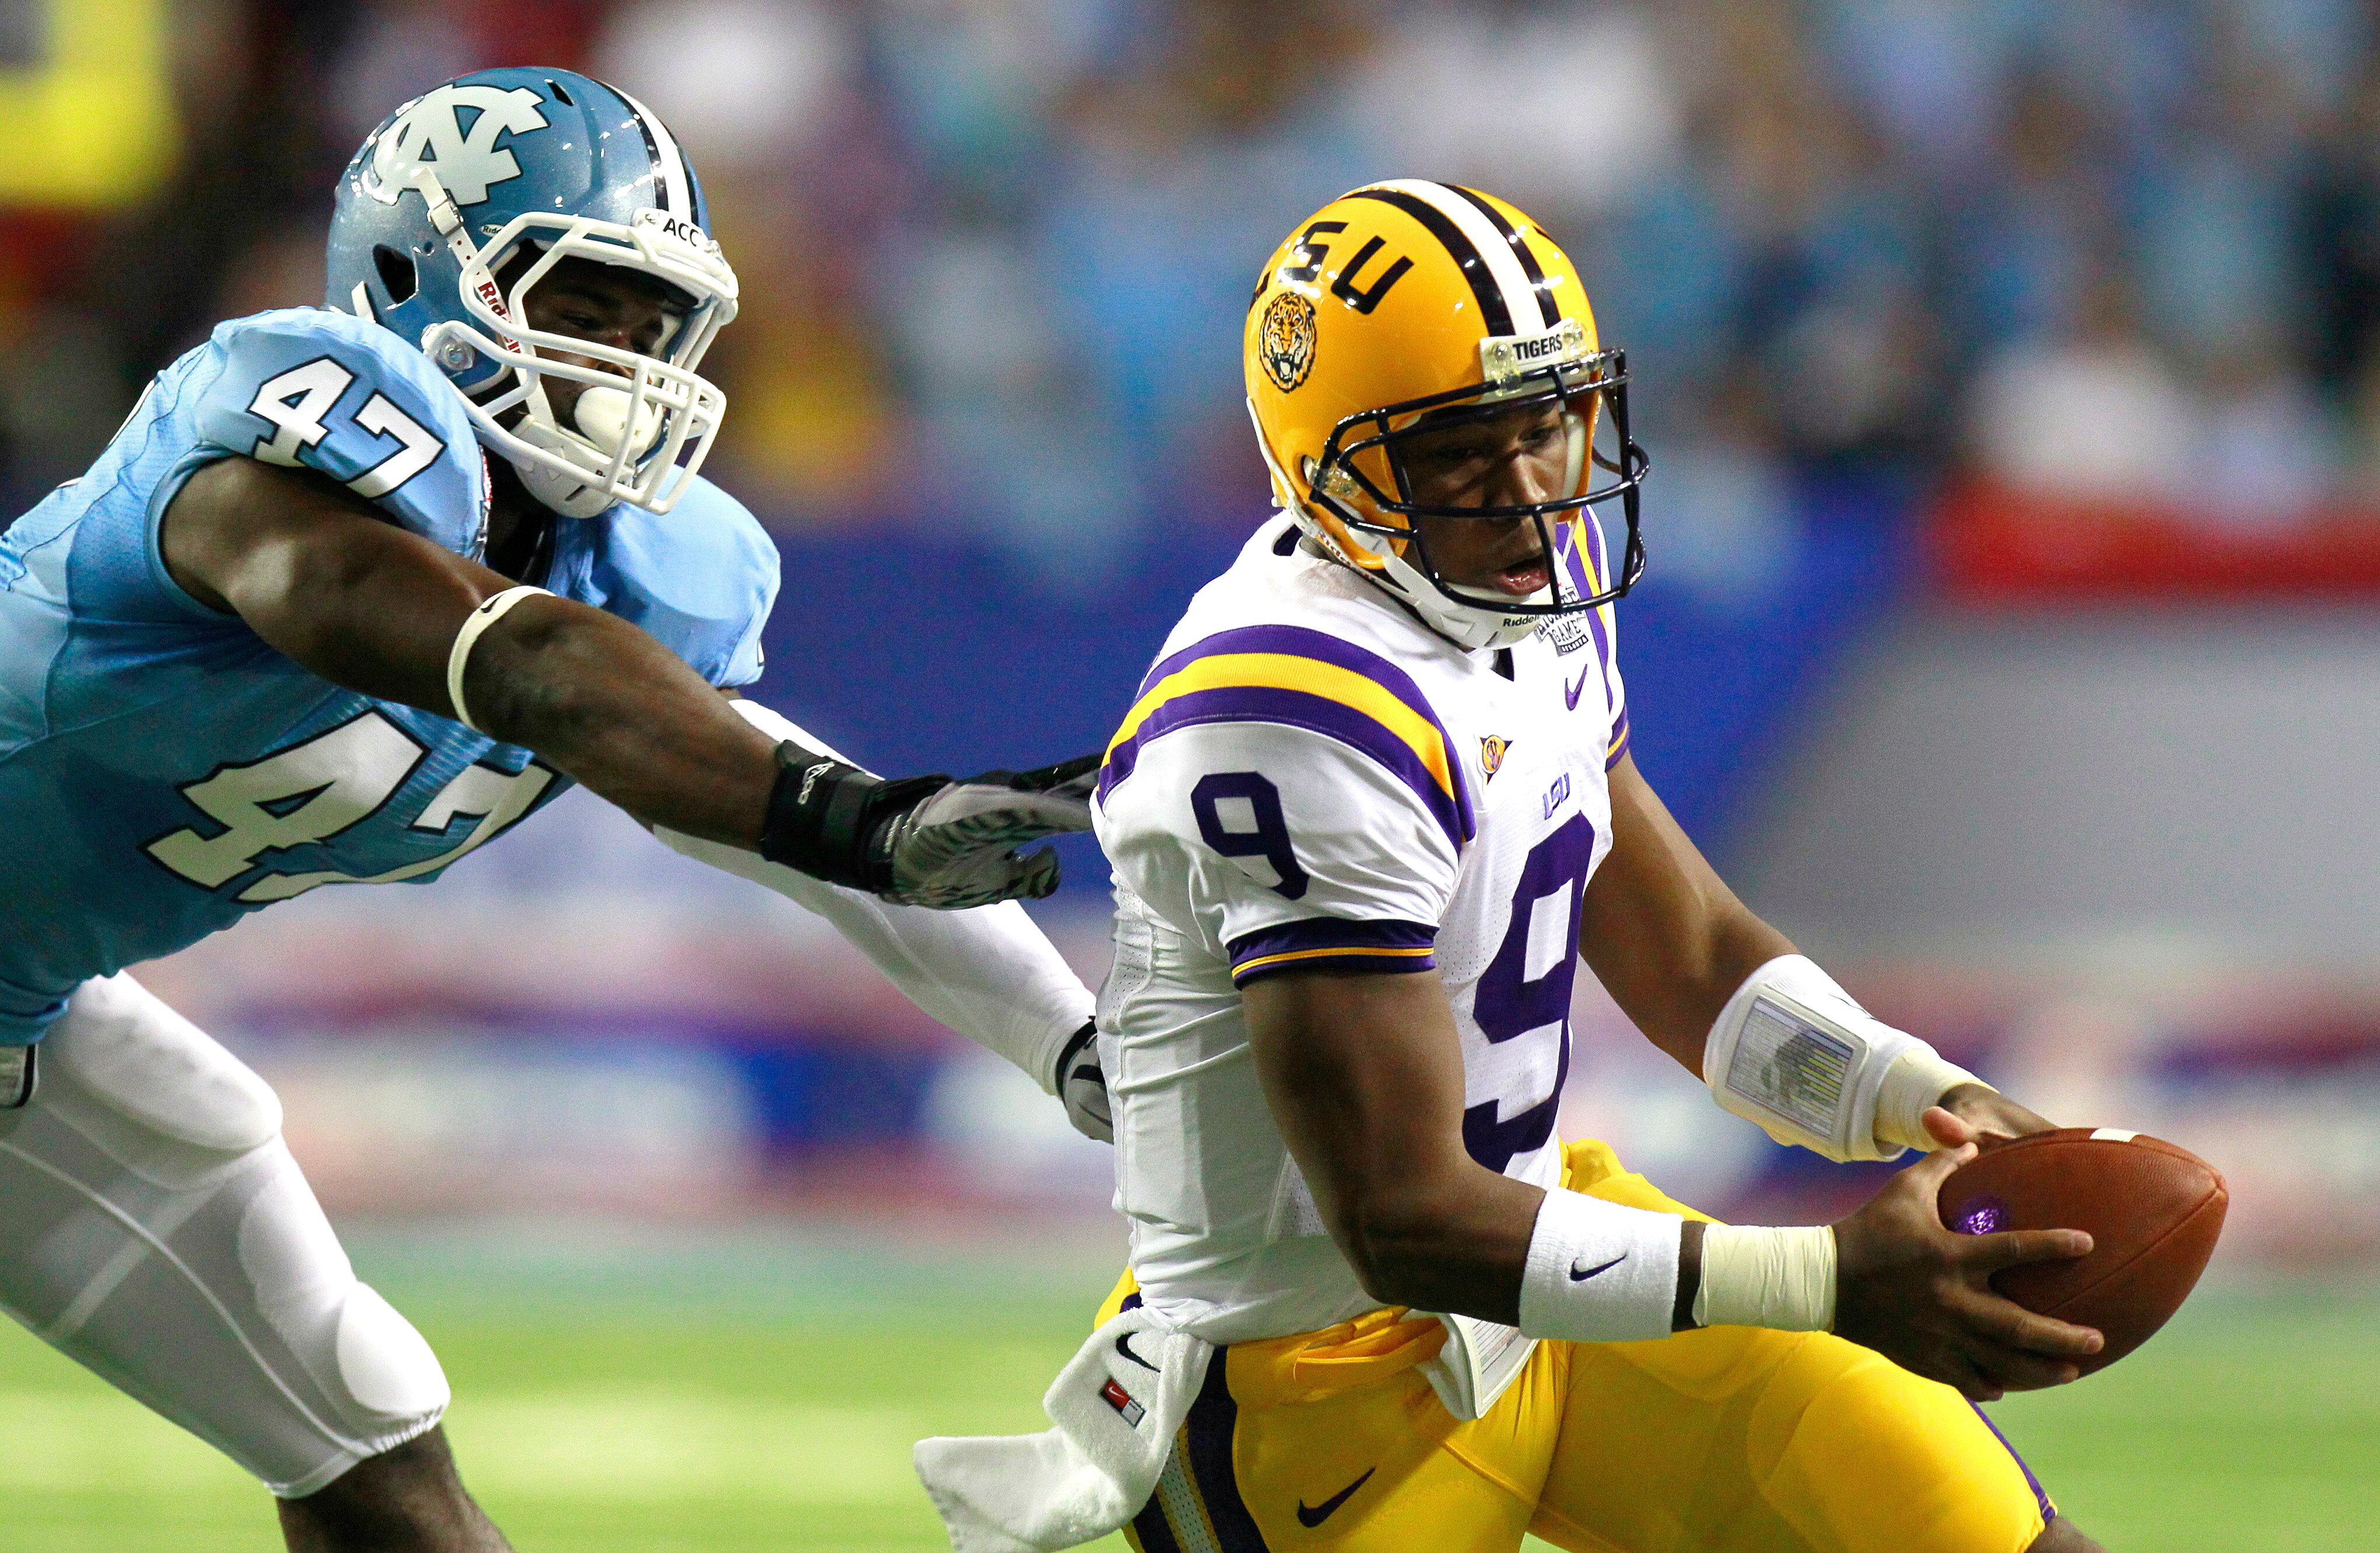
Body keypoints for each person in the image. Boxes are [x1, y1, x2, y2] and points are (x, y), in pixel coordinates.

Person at [0, 68, 1108, 1552]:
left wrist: (1076, 1049)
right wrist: (839, 815)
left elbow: (766, 801)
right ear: (411, 278)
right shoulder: (271, 452)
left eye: (657, 326)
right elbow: (464, 644)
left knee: (367, 1435)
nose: (631, 364)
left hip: (23, 1009)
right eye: (588, 305)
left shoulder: (628, 585)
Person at [917, 182, 2104, 1553]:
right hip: (1319, 1381)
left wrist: (1922, 1096)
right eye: (1465, 453)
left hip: (1552, 1262)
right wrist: (1826, 1277)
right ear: (1330, 467)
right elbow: (1403, 1218)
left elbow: (1692, 956)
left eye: (1543, 427)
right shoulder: (1290, 706)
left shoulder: (1526, 587)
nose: (1532, 491)